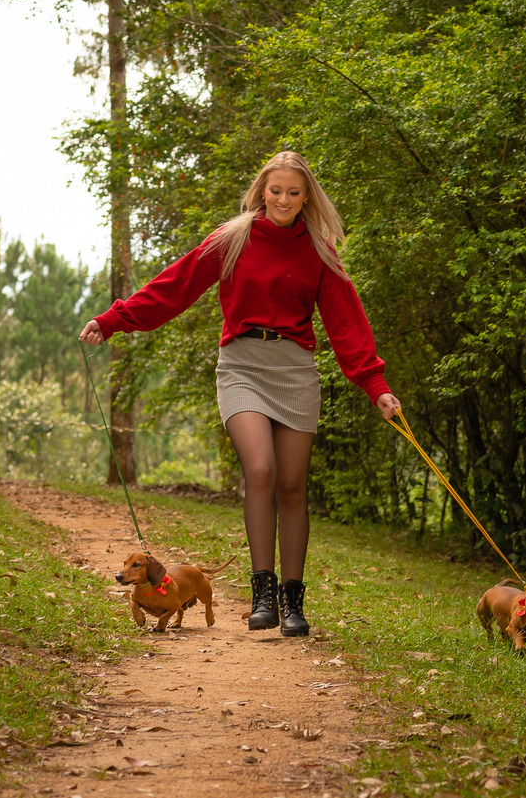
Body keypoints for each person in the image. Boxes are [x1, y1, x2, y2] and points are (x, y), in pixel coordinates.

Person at [79, 151, 400, 637]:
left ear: (306, 195)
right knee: (261, 469)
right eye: (276, 191)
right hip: (242, 366)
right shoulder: (232, 240)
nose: (284, 200)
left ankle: (293, 603)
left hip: (295, 368)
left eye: (294, 192)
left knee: (292, 486)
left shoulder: (318, 249)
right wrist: (113, 320)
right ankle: (262, 594)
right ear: (261, 191)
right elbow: (175, 287)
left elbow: (346, 323)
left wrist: (374, 385)